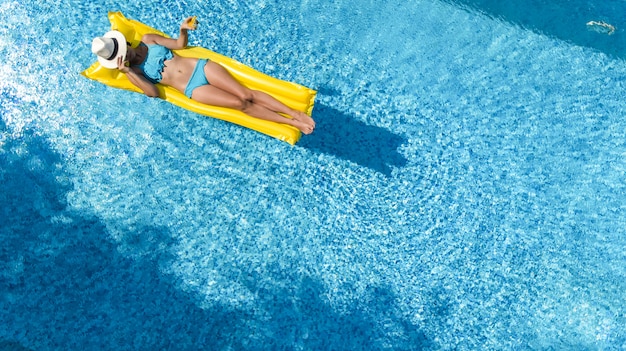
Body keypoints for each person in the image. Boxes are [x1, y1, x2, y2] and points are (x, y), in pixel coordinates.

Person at [91, 17, 315, 134]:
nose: (125, 55)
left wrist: (182, 30)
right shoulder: (134, 72)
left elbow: (179, 44)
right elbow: (153, 93)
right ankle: (290, 123)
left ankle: (293, 112)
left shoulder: (149, 39)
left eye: (122, 50)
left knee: (246, 94)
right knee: (240, 104)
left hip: (200, 67)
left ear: (123, 43)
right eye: (119, 57)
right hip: (192, 89)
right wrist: (129, 71)